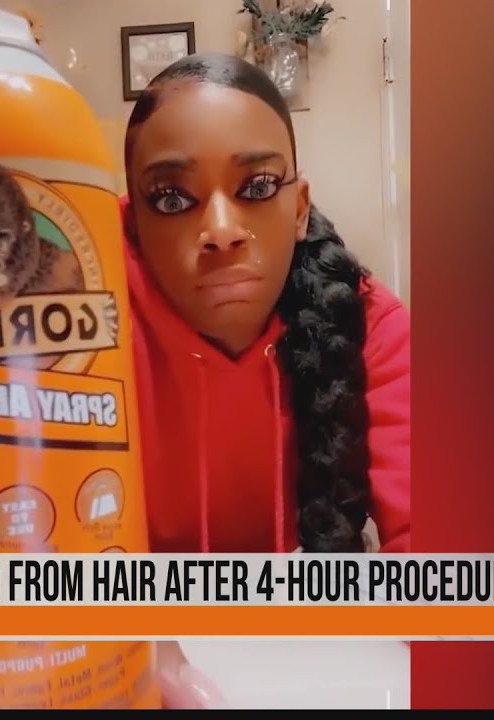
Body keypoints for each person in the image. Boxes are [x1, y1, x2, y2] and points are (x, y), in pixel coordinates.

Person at [119, 53, 411, 708]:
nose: (221, 232)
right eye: (172, 199)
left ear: (299, 207)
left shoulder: (371, 327)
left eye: (255, 188)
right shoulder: (73, 319)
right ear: (133, 220)